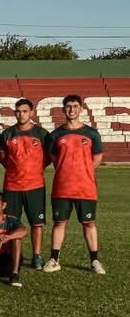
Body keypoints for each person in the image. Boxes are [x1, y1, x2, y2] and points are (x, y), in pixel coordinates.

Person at [45, 95, 105, 274]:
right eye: (68, 106)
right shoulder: (55, 135)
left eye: (75, 106)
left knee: (89, 223)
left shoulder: (91, 133)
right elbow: (55, 160)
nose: (72, 109)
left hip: (86, 188)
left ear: (81, 109)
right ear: (63, 110)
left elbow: (97, 158)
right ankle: (54, 260)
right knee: (59, 223)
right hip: (62, 188)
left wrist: (83, 172)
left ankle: (94, 261)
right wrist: (68, 172)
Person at [0, 98, 52, 269]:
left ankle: (37, 256)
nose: (21, 114)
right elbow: (3, 158)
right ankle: (13, 254)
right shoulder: (7, 134)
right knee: (11, 222)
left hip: (35, 186)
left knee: (36, 223)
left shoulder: (42, 134)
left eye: (25, 111)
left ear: (31, 113)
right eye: (18, 111)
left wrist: (34, 169)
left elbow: (48, 158)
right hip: (12, 186)